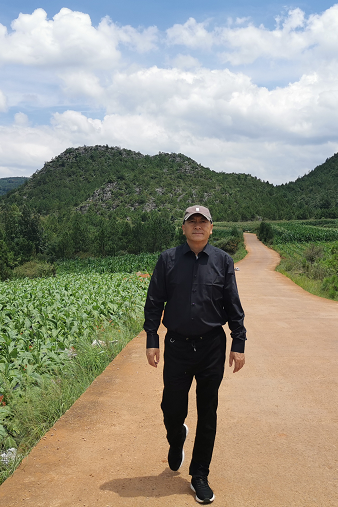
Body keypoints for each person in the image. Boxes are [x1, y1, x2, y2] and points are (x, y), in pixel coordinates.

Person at [144, 205, 246, 505]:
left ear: (211, 228)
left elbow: (233, 304)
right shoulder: (168, 260)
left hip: (211, 347)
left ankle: (199, 474)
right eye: (192, 221)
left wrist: (238, 342)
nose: (198, 226)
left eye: (203, 222)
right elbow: (154, 301)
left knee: (208, 410)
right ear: (184, 227)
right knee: (171, 407)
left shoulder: (223, 261)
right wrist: (152, 338)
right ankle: (176, 438)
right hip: (176, 346)